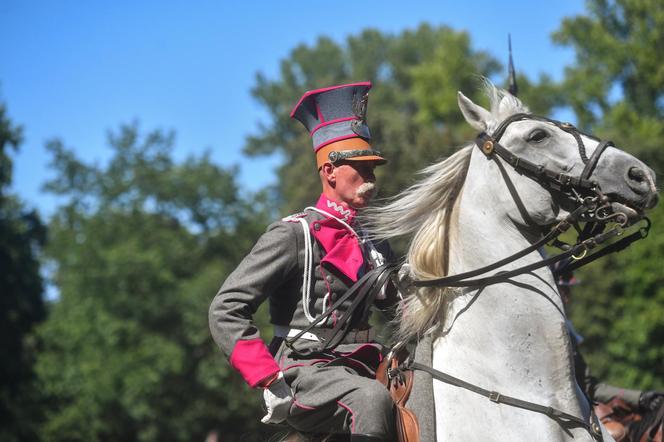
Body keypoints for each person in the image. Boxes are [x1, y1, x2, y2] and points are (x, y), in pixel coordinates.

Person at [209, 82, 399, 441]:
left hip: (366, 360)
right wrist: (266, 375)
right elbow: (226, 308)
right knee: (371, 399)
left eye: (374, 168)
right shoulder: (292, 235)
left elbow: (400, 304)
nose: (371, 178)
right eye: (362, 169)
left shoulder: (373, 239)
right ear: (330, 171)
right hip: (304, 369)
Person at [552, 263, 663, 413]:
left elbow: (591, 388)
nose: (567, 300)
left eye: (568, 292)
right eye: (562, 291)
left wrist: (640, 398)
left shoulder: (568, 335)